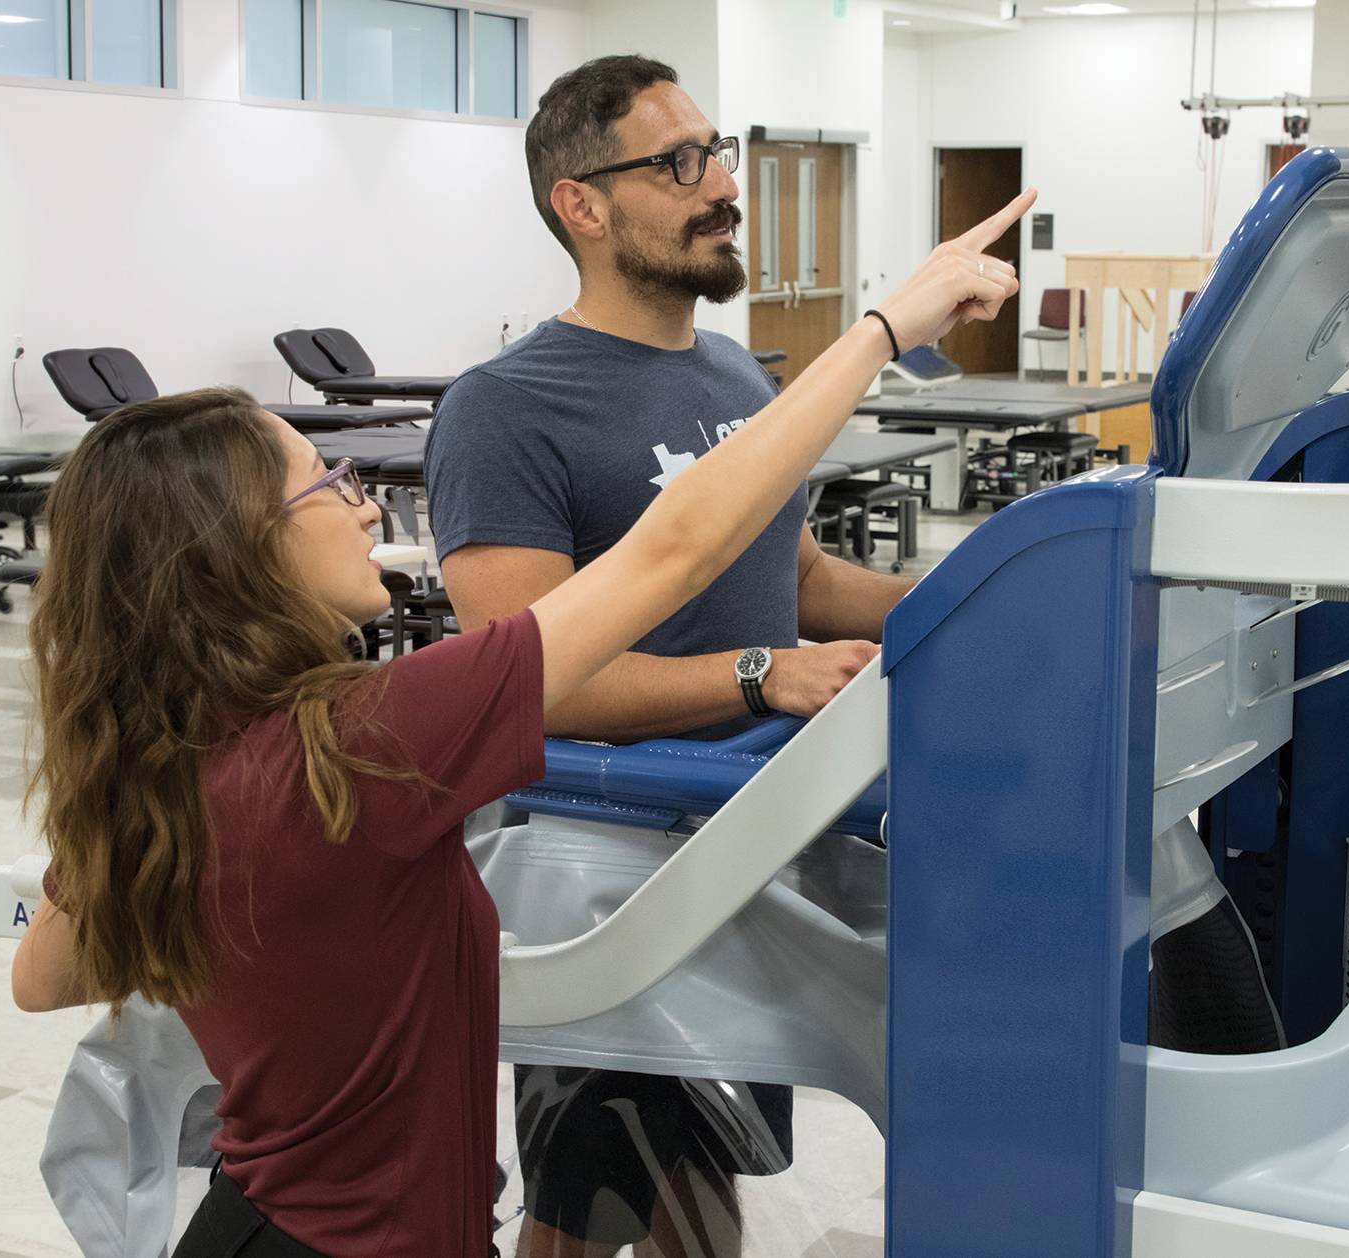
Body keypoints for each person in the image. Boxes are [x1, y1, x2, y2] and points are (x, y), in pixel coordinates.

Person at [9, 188, 1033, 1257]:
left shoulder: (159, 774)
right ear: (237, 553)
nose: (364, 505)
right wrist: (882, 331)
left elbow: (43, 978)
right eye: (328, 484)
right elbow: (671, 549)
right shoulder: (366, 741)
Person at [425, 55, 932, 1258]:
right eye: (679, 163)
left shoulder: (733, 372)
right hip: (602, 872)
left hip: (745, 842)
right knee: (590, 1207)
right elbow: (529, 681)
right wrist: (757, 676)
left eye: (718, 153)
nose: (723, 188)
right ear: (582, 207)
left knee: (705, 1204)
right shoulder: (504, 409)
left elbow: (797, 579)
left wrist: (973, 595)